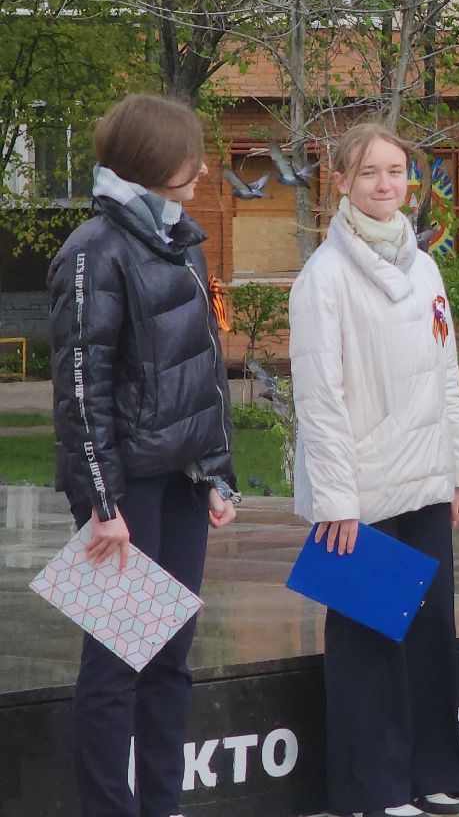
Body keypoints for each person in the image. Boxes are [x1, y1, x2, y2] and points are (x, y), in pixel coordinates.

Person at [49, 93, 240, 817]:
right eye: (189, 152)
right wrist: (100, 506)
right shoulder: (93, 250)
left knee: (171, 661)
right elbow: (79, 391)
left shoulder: (180, 240)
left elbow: (204, 364)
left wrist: (218, 471)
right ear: (155, 160)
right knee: (115, 666)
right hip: (125, 493)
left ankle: (163, 804)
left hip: (182, 484)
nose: (201, 166)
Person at [290, 124, 459, 817]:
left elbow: (445, 377)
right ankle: (376, 786)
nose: (384, 185)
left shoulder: (424, 267)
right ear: (339, 182)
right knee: (369, 640)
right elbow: (319, 397)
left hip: (426, 480)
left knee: (431, 630)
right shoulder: (325, 278)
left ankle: (433, 769)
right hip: (362, 492)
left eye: (396, 171)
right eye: (368, 172)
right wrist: (337, 499)